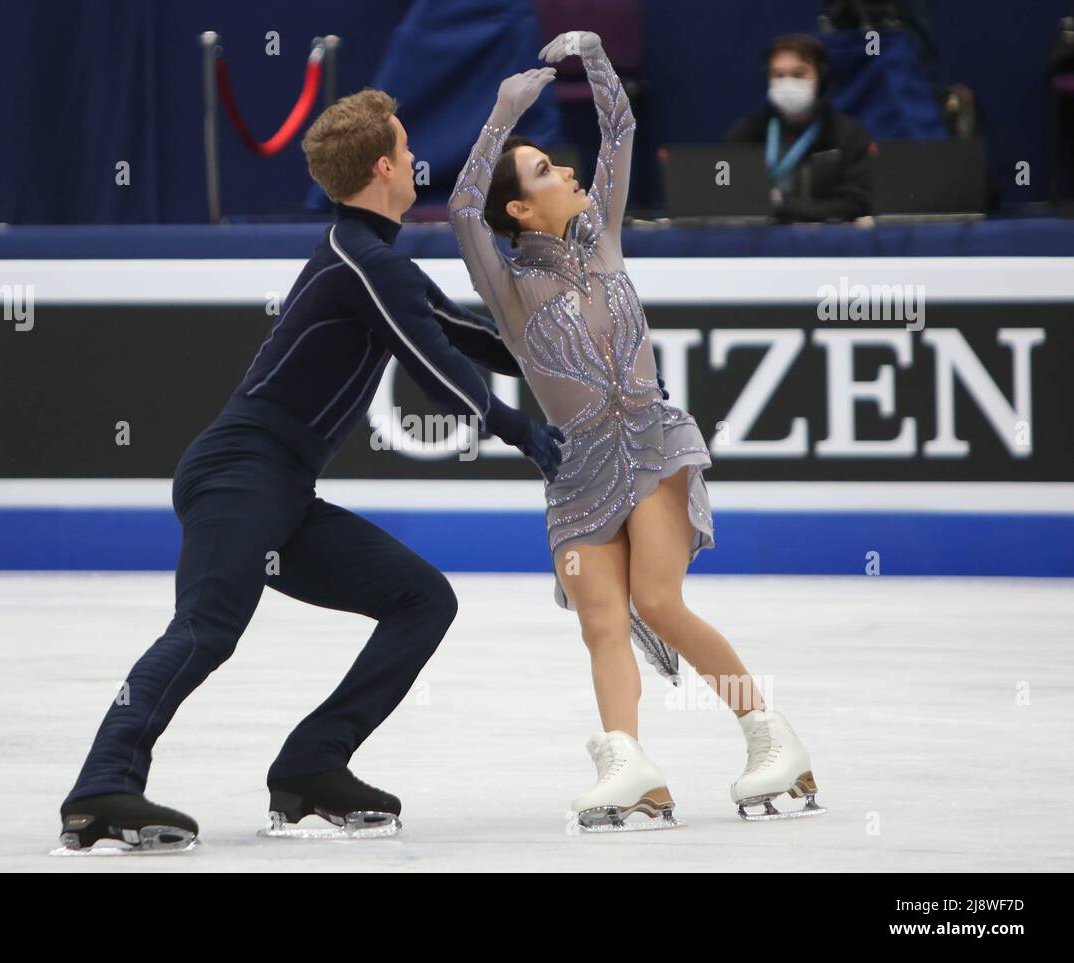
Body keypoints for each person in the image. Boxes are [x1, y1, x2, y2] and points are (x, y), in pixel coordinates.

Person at [57, 88, 564, 851]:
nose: (417, 155)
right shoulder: (363, 263)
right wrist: (530, 435)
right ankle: (101, 785)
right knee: (207, 628)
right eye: (405, 141)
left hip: (279, 488)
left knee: (421, 598)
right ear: (386, 165)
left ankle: (311, 764)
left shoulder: (370, 259)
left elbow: (467, 332)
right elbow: (438, 367)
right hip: (240, 473)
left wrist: (574, 354)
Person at [449, 31, 826, 828]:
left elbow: (617, 133)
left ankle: (769, 735)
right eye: (546, 171)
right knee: (599, 620)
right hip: (580, 472)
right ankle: (628, 762)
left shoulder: (605, 234)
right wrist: (496, 119)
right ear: (520, 209)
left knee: (656, 599)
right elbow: (458, 209)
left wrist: (593, 56)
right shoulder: (509, 289)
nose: (569, 172)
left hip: (653, 444)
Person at [727, 33, 872, 224]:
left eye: (798, 74)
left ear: (820, 78)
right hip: (759, 243)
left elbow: (856, 204)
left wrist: (784, 206)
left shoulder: (847, 134)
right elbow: (726, 198)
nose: (788, 84)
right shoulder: (746, 133)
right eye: (779, 75)